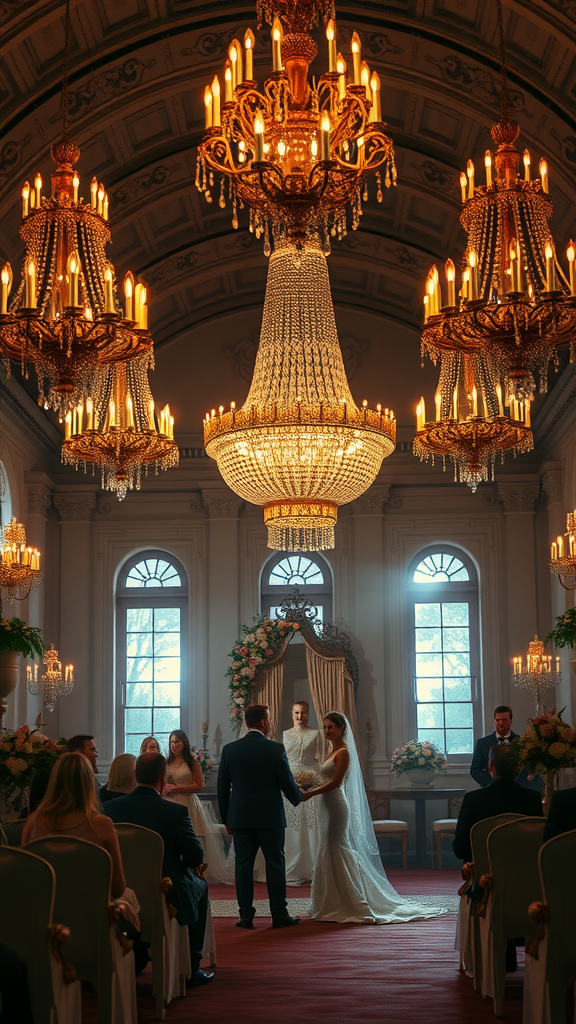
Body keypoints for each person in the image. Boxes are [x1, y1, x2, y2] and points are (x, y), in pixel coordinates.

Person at [301, 712, 448, 924]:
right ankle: (332, 899)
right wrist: (309, 787)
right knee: (328, 847)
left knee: (337, 846)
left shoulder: (343, 752)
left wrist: (311, 793)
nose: (326, 731)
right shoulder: (329, 752)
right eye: (324, 727)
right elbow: (325, 779)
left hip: (336, 805)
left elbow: (336, 783)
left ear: (341, 728)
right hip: (326, 804)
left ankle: (353, 899)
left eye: (330, 727)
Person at [105, 752, 213, 988]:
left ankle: (139, 952)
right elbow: (195, 856)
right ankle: (193, 964)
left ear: (136, 776)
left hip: (120, 889)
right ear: (163, 778)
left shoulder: (109, 810)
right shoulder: (174, 813)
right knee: (201, 886)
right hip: (166, 889)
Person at [217, 704, 302, 929]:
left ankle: (246, 916)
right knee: (275, 863)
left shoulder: (230, 750)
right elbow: (287, 783)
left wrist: (227, 819)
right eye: (270, 719)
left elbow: (222, 788)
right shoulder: (275, 749)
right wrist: (298, 797)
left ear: (246, 723)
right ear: (264, 722)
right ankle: (279, 914)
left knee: (243, 866)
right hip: (269, 817)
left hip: (241, 818)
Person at [22, 752, 126, 899]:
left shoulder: (33, 822)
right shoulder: (102, 825)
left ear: (55, 781)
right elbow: (118, 889)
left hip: (46, 915)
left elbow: (27, 880)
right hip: (90, 915)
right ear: (88, 783)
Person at [453, 744, 543, 863]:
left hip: (484, 873)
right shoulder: (533, 798)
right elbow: (537, 844)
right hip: (521, 872)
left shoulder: (473, 799)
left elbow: (460, 850)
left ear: (490, 766)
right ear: (519, 768)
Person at [164, 729, 233, 884]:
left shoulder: (192, 761)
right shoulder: (167, 762)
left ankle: (196, 870)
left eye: (177, 741)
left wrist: (176, 789)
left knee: (191, 836)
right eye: (171, 742)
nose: (173, 745)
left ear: (184, 743)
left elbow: (199, 785)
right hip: (170, 802)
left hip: (187, 801)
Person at [282, 701, 321, 884]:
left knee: (311, 825)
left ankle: (313, 865)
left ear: (308, 713)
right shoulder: (285, 735)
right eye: (297, 713)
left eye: (304, 713)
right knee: (291, 826)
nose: (300, 717)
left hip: (310, 782)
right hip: (290, 783)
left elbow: (319, 760)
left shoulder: (316, 734)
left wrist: (315, 780)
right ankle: (290, 863)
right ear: (292, 714)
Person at [470, 706, 541, 792]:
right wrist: (491, 783)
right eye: (497, 720)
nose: (500, 723)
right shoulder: (483, 743)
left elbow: (531, 769)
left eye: (504, 720)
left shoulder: (522, 742)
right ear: (494, 720)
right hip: (491, 792)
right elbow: (475, 770)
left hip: (518, 791)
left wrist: (518, 784)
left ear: (511, 721)